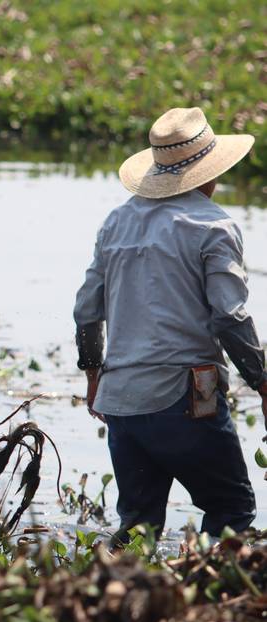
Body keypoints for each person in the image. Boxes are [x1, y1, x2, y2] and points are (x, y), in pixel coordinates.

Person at [73, 107, 258, 546]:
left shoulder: (116, 222)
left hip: (122, 401)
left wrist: (94, 377)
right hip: (186, 396)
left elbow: (86, 310)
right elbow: (229, 317)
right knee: (231, 509)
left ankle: (109, 585)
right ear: (211, 173)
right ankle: (212, 588)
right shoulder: (214, 225)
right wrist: (262, 380)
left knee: (138, 526)